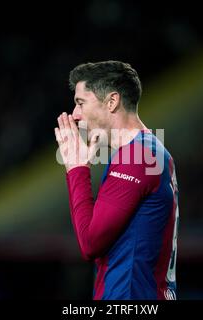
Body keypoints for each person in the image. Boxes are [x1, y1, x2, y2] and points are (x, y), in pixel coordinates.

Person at [54, 60, 179, 300]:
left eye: (81, 103)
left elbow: (90, 244)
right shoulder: (148, 152)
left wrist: (77, 170)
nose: (75, 115)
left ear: (112, 102)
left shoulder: (138, 156)